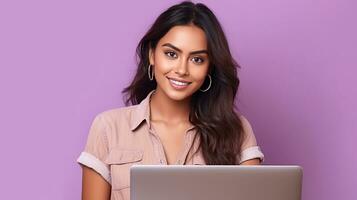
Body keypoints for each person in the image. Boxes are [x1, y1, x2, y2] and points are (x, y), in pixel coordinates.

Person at [76, 1, 264, 200]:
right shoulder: (108, 128)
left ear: (209, 67)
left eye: (197, 59)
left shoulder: (237, 131)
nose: (182, 69)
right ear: (152, 55)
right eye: (171, 54)